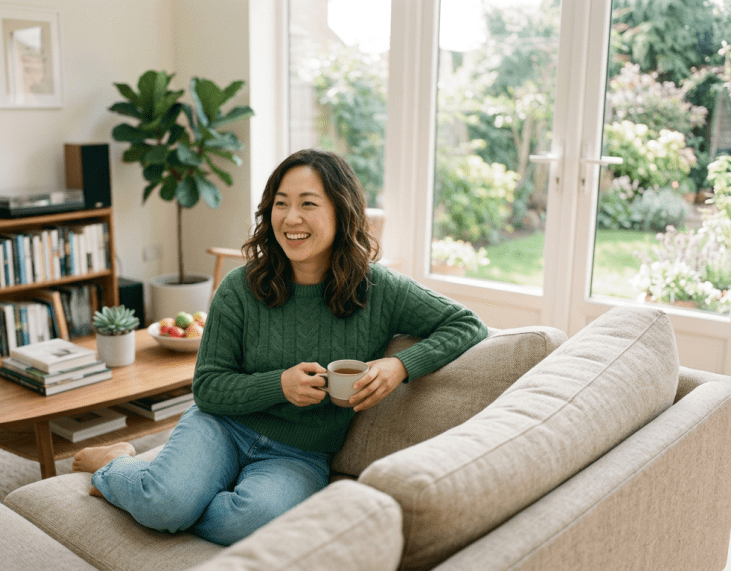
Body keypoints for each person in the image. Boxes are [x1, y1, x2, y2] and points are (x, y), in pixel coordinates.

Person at [72, 149, 487, 546]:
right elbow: (208, 388)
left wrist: (400, 366)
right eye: (281, 203)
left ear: (342, 213)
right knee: (166, 505)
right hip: (222, 425)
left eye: (308, 204)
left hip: (300, 454)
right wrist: (279, 385)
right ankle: (120, 465)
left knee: (247, 520)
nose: (291, 218)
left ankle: (165, 489)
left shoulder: (380, 289)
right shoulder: (239, 287)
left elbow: (467, 323)